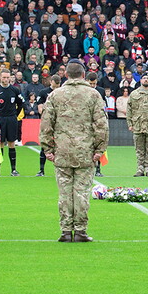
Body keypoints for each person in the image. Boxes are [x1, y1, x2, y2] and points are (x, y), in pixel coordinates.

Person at [39, 61, 109, 243]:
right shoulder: (93, 95)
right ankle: (80, 230)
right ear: (83, 75)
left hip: (62, 151)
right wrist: (99, 149)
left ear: (66, 75)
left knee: (64, 193)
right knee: (81, 193)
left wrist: (48, 149)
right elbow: (101, 125)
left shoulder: (55, 95)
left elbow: (46, 124)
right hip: (85, 151)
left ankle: (65, 230)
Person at [0, 69, 24, 176]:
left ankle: (13, 169)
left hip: (11, 119)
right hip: (0, 119)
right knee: (0, 144)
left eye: (8, 77)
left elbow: (21, 104)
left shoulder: (15, 90)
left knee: (11, 143)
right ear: (0, 77)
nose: (6, 79)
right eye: (4, 77)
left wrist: (15, 115)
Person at [36, 74, 61, 177]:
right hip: (48, 122)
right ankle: (41, 170)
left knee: (61, 145)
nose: (56, 88)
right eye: (55, 86)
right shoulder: (43, 92)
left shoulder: (62, 92)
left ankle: (61, 169)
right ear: (51, 82)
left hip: (60, 123)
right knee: (45, 144)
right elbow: (40, 108)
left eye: (58, 86)